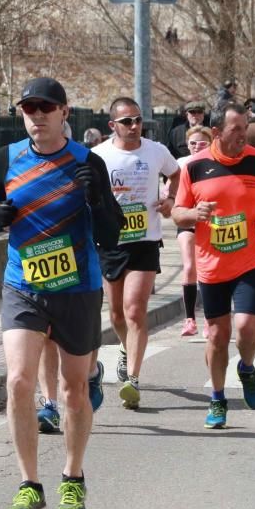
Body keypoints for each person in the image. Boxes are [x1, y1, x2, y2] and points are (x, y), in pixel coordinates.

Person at [0, 77, 122, 509]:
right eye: (29, 109)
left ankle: (72, 478)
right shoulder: (8, 157)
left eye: (46, 108)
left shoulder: (87, 161)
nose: (37, 116)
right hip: (22, 283)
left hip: (77, 288)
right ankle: (29, 484)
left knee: (73, 390)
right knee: (19, 382)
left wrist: (96, 198)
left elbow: (111, 232)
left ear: (65, 112)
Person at [171, 102, 255, 429]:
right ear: (216, 132)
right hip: (211, 266)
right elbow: (177, 212)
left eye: (245, 129)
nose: (243, 136)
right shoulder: (194, 167)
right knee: (218, 336)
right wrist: (194, 214)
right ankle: (217, 398)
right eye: (236, 130)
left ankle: (246, 368)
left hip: (249, 261)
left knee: (247, 327)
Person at [92, 96, 180, 409]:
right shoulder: (98, 155)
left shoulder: (156, 151)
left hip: (145, 240)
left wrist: (170, 200)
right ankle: (126, 349)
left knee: (134, 309)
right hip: (111, 243)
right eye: (127, 121)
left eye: (138, 120)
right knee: (116, 313)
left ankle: (133, 379)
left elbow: (176, 173)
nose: (134, 126)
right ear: (112, 125)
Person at [173, 125, 213, 337]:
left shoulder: (215, 163)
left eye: (202, 143)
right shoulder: (180, 164)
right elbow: (170, 189)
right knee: (190, 266)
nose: (197, 147)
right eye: (193, 143)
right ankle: (190, 320)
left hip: (209, 224)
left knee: (207, 270)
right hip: (188, 221)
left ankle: (209, 319)